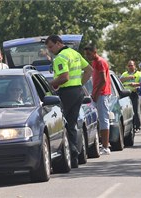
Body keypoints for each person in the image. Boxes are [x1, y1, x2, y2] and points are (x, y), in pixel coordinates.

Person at [45, 35, 93, 168]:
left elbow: (64, 77)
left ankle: (69, 153)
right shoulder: (75, 53)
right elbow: (89, 70)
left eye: (51, 47)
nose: (50, 50)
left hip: (67, 93)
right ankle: (74, 156)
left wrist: (49, 84)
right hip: (78, 92)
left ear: (58, 43)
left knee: (62, 124)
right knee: (71, 124)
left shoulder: (60, 58)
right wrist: (79, 84)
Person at [84, 44, 112, 155]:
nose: (87, 56)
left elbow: (103, 81)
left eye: (89, 54)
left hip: (102, 94)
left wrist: (95, 94)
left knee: (104, 119)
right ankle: (103, 144)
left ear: (95, 52)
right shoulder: (94, 62)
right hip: (97, 94)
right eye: (86, 54)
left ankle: (105, 147)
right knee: (98, 119)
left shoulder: (100, 62)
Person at [120, 60, 141, 132]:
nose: (130, 67)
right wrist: (128, 78)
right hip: (126, 95)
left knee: (136, 110)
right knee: (127, 111)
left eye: (131, 65)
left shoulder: (139, 74)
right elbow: (120, 80)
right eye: (129, 65)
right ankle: (130, 126)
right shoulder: (125, 74)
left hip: (135, 93)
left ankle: (137, 127)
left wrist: (137, 85)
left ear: (134, 66)